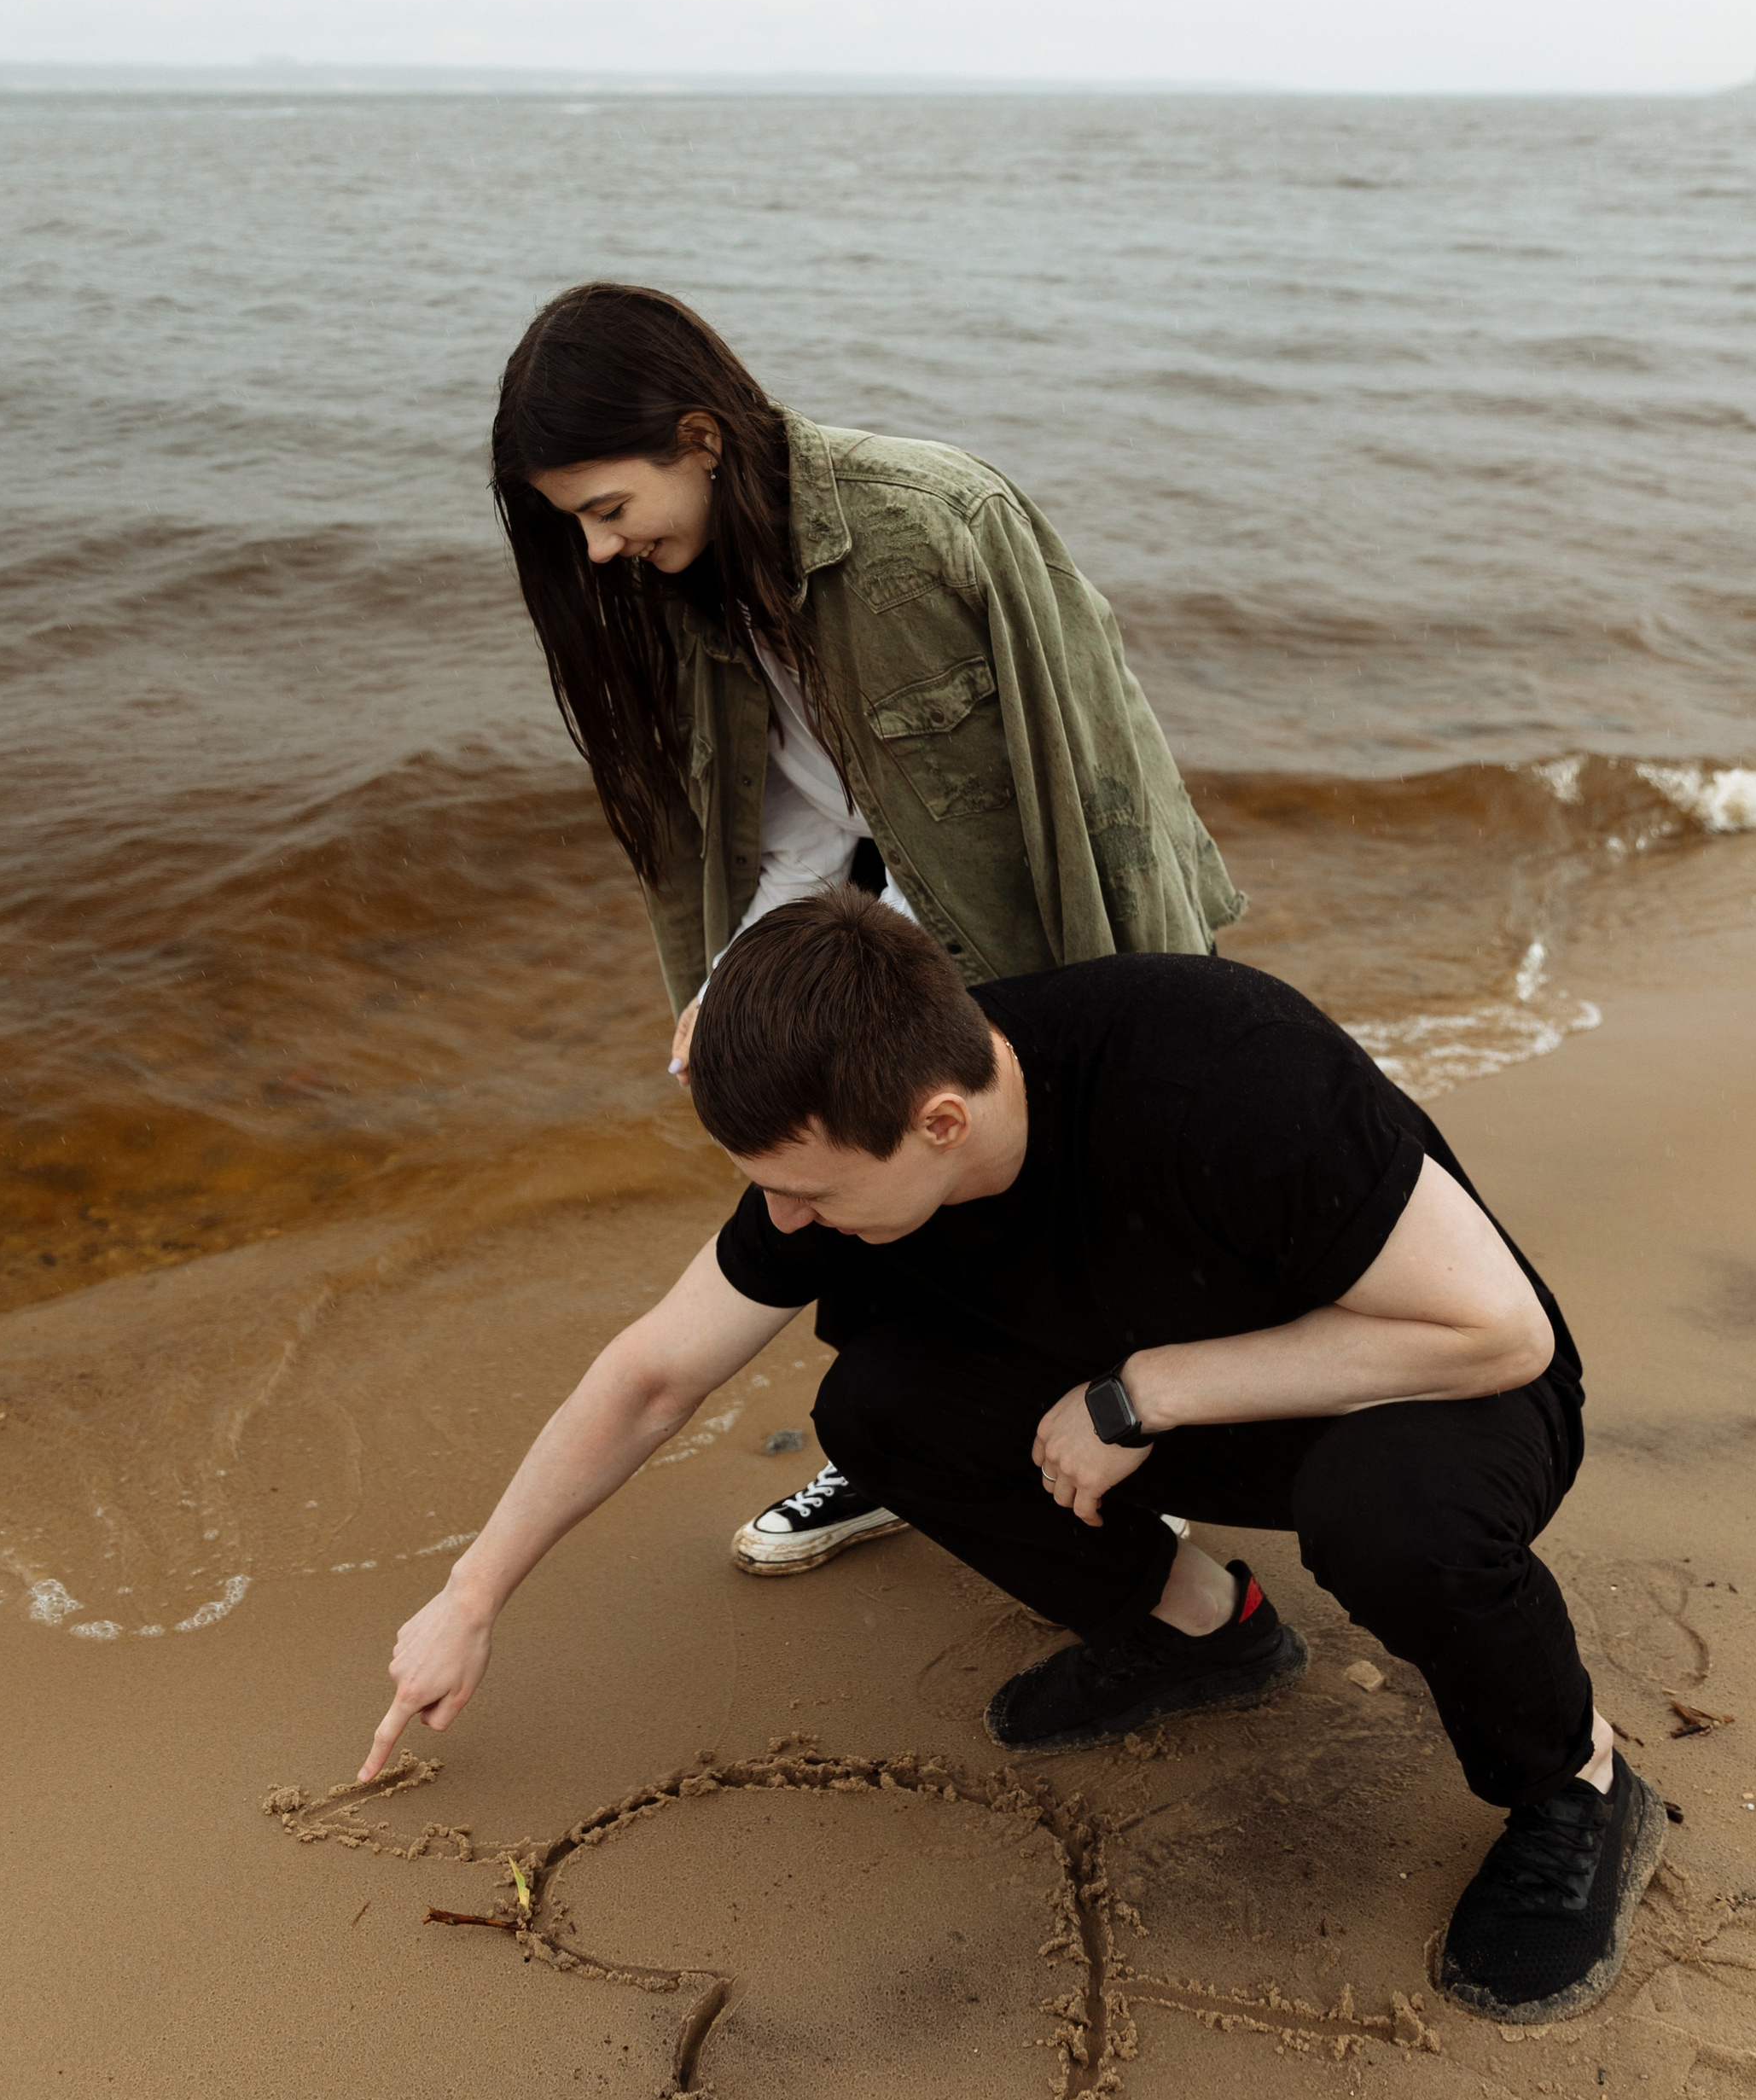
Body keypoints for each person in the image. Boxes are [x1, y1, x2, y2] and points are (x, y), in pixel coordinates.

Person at [361, 888, 1664, 2030]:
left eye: (807, 1190)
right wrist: (472, 1597)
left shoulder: (1222, 1068)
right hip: (1178, 1394)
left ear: (937, 1123)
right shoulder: (847, 1111)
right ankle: (1208, 1630)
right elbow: (654, 1375)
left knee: (1392, 1523)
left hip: (1437, 1385)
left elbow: (1499, 1332)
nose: (784, 1218)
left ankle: (1578, 1787)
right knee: (881, 1407)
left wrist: (1146, 1393)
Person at [491, 278, 1244, 1581]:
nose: (601, 551)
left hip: (1058, 937)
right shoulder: (695, 598)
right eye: (579, 528)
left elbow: (1102, 775)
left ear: (701, 437)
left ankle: (1138, 1457)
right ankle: (912, 1452)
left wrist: (1166, 1014)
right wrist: (734, 984)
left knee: (1079, 1219)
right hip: (889, 943)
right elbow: (793, 826)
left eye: (609, 511)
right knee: (855, 1186)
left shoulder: (940, 520)